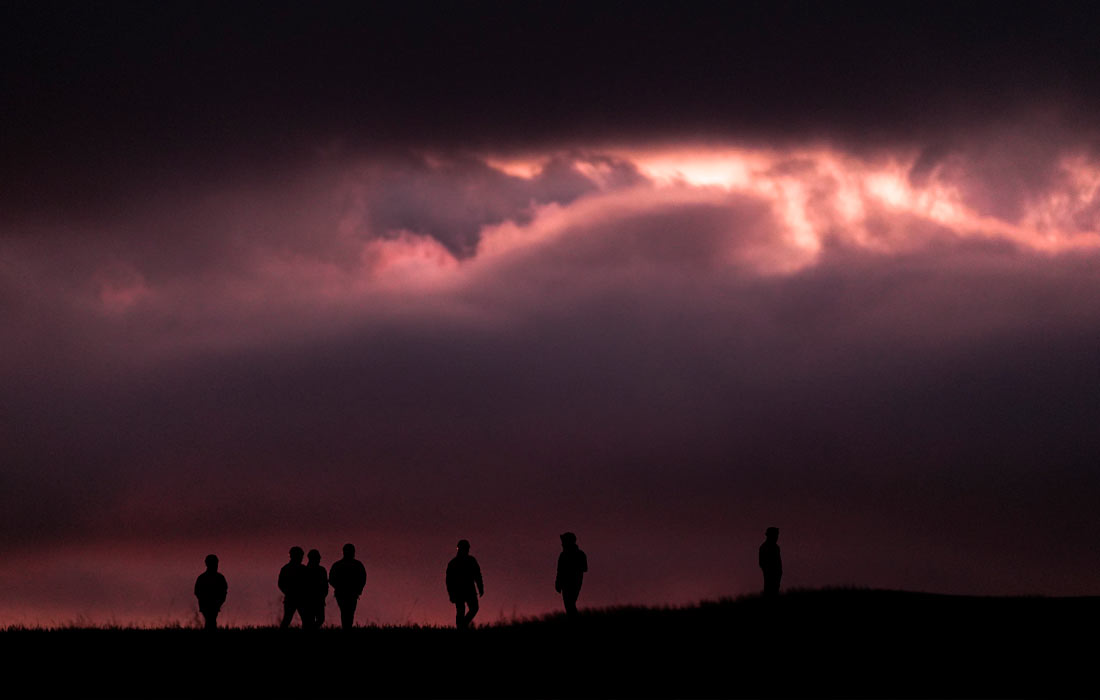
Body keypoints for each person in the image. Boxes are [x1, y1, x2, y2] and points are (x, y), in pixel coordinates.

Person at [446, 539, 483, 629]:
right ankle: (461, 627)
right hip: (461, 591)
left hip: (466, 591)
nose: (467, 550)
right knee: (461, 611)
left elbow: (477, 575)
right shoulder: (454, 563)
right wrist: (451, 594)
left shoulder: (456, 562)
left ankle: (461, 626)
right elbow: (449, 581)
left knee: (470, 609)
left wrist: (480, 587)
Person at [328, 543, 367, 630]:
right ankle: (347, 628)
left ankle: (346, 627)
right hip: (350, 593)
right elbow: (363, 578)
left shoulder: (338, 565)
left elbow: (331, 579)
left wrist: (338, 587)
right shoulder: (357, 565)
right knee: (349, 612)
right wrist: (358, 589)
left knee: (346, 612)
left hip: (344, 593)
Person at [555, 532, 587, 618]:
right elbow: (560, 571)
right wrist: (558, 583)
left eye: (564, 541)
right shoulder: (564, 555)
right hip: (568, 584)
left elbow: (583, 568)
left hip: (573, 583)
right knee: (569, 605)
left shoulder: (578, 554)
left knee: (570, 605)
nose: (562, 543)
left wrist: (559, 583)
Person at [194, 554, 228, 631]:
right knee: (211, 621)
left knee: (210, 621)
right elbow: (197, 591)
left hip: (210, 604)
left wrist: (219, 601)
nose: (216, 565)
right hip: (209, 604)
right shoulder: (219, 578)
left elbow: (224, 591)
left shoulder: (203, 578)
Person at [279, 546, 307, 628]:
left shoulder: (286, 568)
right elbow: (281, 584)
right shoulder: (303, 569)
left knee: (287, 619)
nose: (301, 557)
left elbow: (281, 584)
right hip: (297, 598)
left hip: (293, 598)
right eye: (300, 555)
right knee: (304, 619)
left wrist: (288, 592)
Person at [303, 548, 329, 629]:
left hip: (318, 599)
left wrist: (323, 595)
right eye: (317, 557)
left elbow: (325, 584)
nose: (319, 559)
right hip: (309, 600)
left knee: (319, 619)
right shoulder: (305, 570)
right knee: (310, 620)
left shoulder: (321, 570)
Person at [759, 527, 782, 597]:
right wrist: (768, 570)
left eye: (777, 535)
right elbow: (761, 562)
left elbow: (779, 561)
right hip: (769, 574)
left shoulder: (776, 547)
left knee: (774, 591)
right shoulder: (764, 547)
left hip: (776, 574)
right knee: (770, 591)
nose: (777, 537)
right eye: (775, 535)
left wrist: (779, 572)